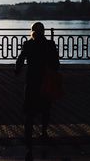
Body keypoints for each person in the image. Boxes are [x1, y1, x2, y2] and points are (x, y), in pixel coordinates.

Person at [15, 22, 60, 161]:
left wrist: (17, 70)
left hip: (31, 81)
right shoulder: (50, 44)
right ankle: (44, 132)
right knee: (46, 108)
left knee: (29, 112)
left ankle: (28, 141)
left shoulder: (28, 44)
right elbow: (56, 63)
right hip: (45, 81)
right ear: (44, 31)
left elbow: (21, 59)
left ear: (32, 31)